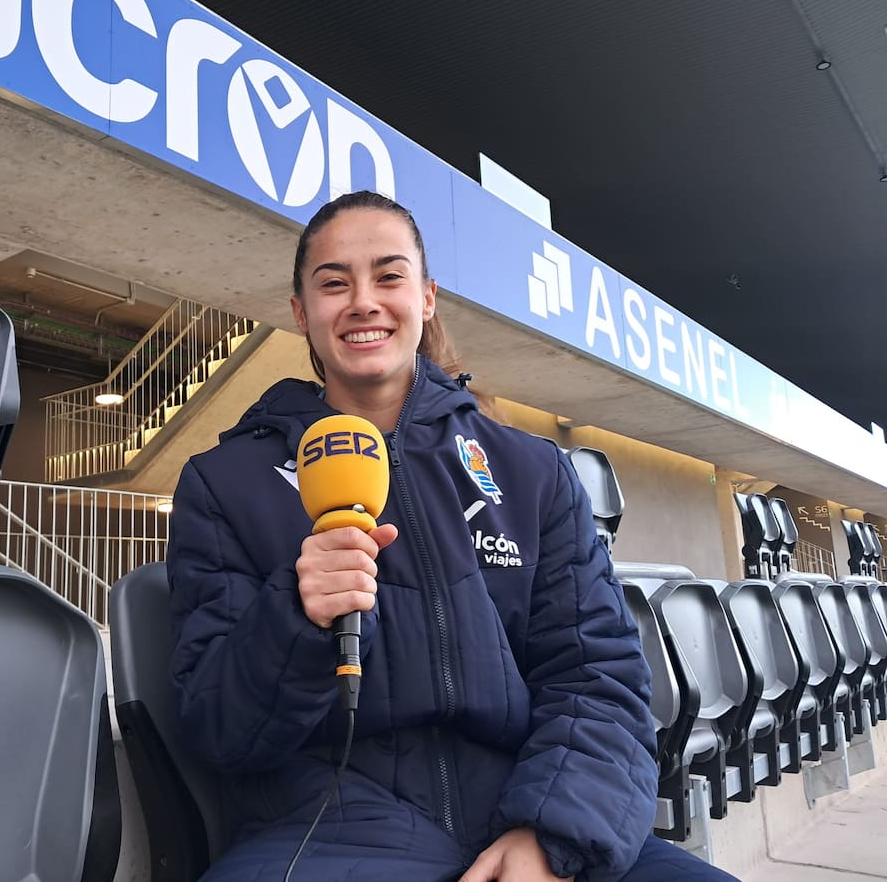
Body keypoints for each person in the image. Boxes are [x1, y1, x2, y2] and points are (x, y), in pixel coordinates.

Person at [167, 191, 736, 881]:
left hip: (528, 808)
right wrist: (297, 620)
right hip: (326, 833)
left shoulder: (531, 471)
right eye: (334, 282)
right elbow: (217, 728)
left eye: (388, 275)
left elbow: (597, 677)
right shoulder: (225, 483)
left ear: (427, 297)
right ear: (300, 312)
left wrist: (550, 839)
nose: (363, 301)